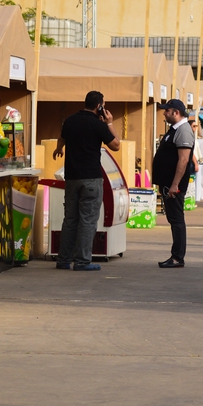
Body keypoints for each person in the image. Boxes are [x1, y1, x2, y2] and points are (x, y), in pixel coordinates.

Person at [52, 91, 120, 271]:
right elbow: (116, 145)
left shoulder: (71, 120)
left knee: (70, 219)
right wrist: (110, 123)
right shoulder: (98, 124)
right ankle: (82, 261)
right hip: (91, 178)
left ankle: (63, 260)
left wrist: (59, 149)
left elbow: (62, 138)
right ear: (99, 106)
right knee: (88, 220)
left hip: (72, 177)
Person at [153, 99, 195, 268]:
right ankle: (176, 255)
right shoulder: (175, 129)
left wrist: (174, 184)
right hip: (167, 183)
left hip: (173, 186)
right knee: (173, 218)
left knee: (177, 219)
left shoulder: (183, 130)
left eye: (167, 110)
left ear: (176, 112)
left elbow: (183, 160)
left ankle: (177, 257)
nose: (164, 113)